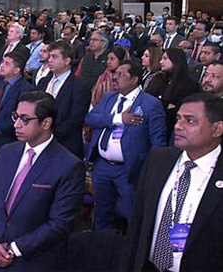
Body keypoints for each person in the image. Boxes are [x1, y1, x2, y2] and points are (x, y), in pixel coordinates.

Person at [0, 91, 84, 271]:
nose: (16, 124)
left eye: (25, 119)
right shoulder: (6, 153)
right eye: (16, 117)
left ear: (46, 123)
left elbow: (60, 224)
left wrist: (14, 249)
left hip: (34, 261)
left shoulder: (69, 166)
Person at [122, 93, 223, 272]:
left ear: (217, 129)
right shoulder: (158, 160)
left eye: (190, 121)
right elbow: (137, 222)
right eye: (178, 119)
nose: (178, 126)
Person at [84, 61, 167, 230]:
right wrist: (118, 119)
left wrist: (150, 172)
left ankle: (132, 245)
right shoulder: (109, 98)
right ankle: (103, 242)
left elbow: (158, 141)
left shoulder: (150, 104)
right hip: (102, 166)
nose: (115, 77)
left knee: (134, 215)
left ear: (134, 79)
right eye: (115, 73)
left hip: (129, 169)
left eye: (121, 74)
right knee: (101, 213)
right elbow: (90, 118)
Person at [0, 52, 34, 176]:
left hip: (6, 139)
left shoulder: (26, 89)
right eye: (2, 62)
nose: (2, 65)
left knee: (4, 176)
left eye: (7, 63)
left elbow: (20, 117)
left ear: (17, 70)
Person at [37, 41, 90, 159]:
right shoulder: (43, 82)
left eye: (54, 57)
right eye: (49, 56)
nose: (49, 60)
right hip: (39, 143)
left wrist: (49, 136)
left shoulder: (79, 86)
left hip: (65, 147)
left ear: (67, 61)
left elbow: (75, 119)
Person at [159, 48, 201, 141]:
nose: (161, 62)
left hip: (174, 127)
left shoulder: (190, 84)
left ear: (175, 60)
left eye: (165, 58)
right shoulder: (161, 79)